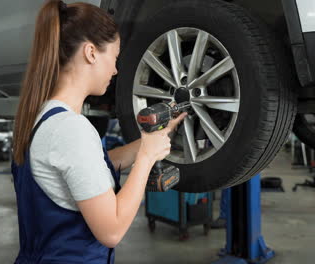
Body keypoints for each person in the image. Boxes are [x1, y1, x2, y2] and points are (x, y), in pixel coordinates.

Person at [11, 1, 187, 263]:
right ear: (91, 53)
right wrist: (147, 158)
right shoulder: (71, 130)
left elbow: (88, 167)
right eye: (114, 58)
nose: (116, 70)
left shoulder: (41, 118)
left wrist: (151, 140)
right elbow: (111, 230)